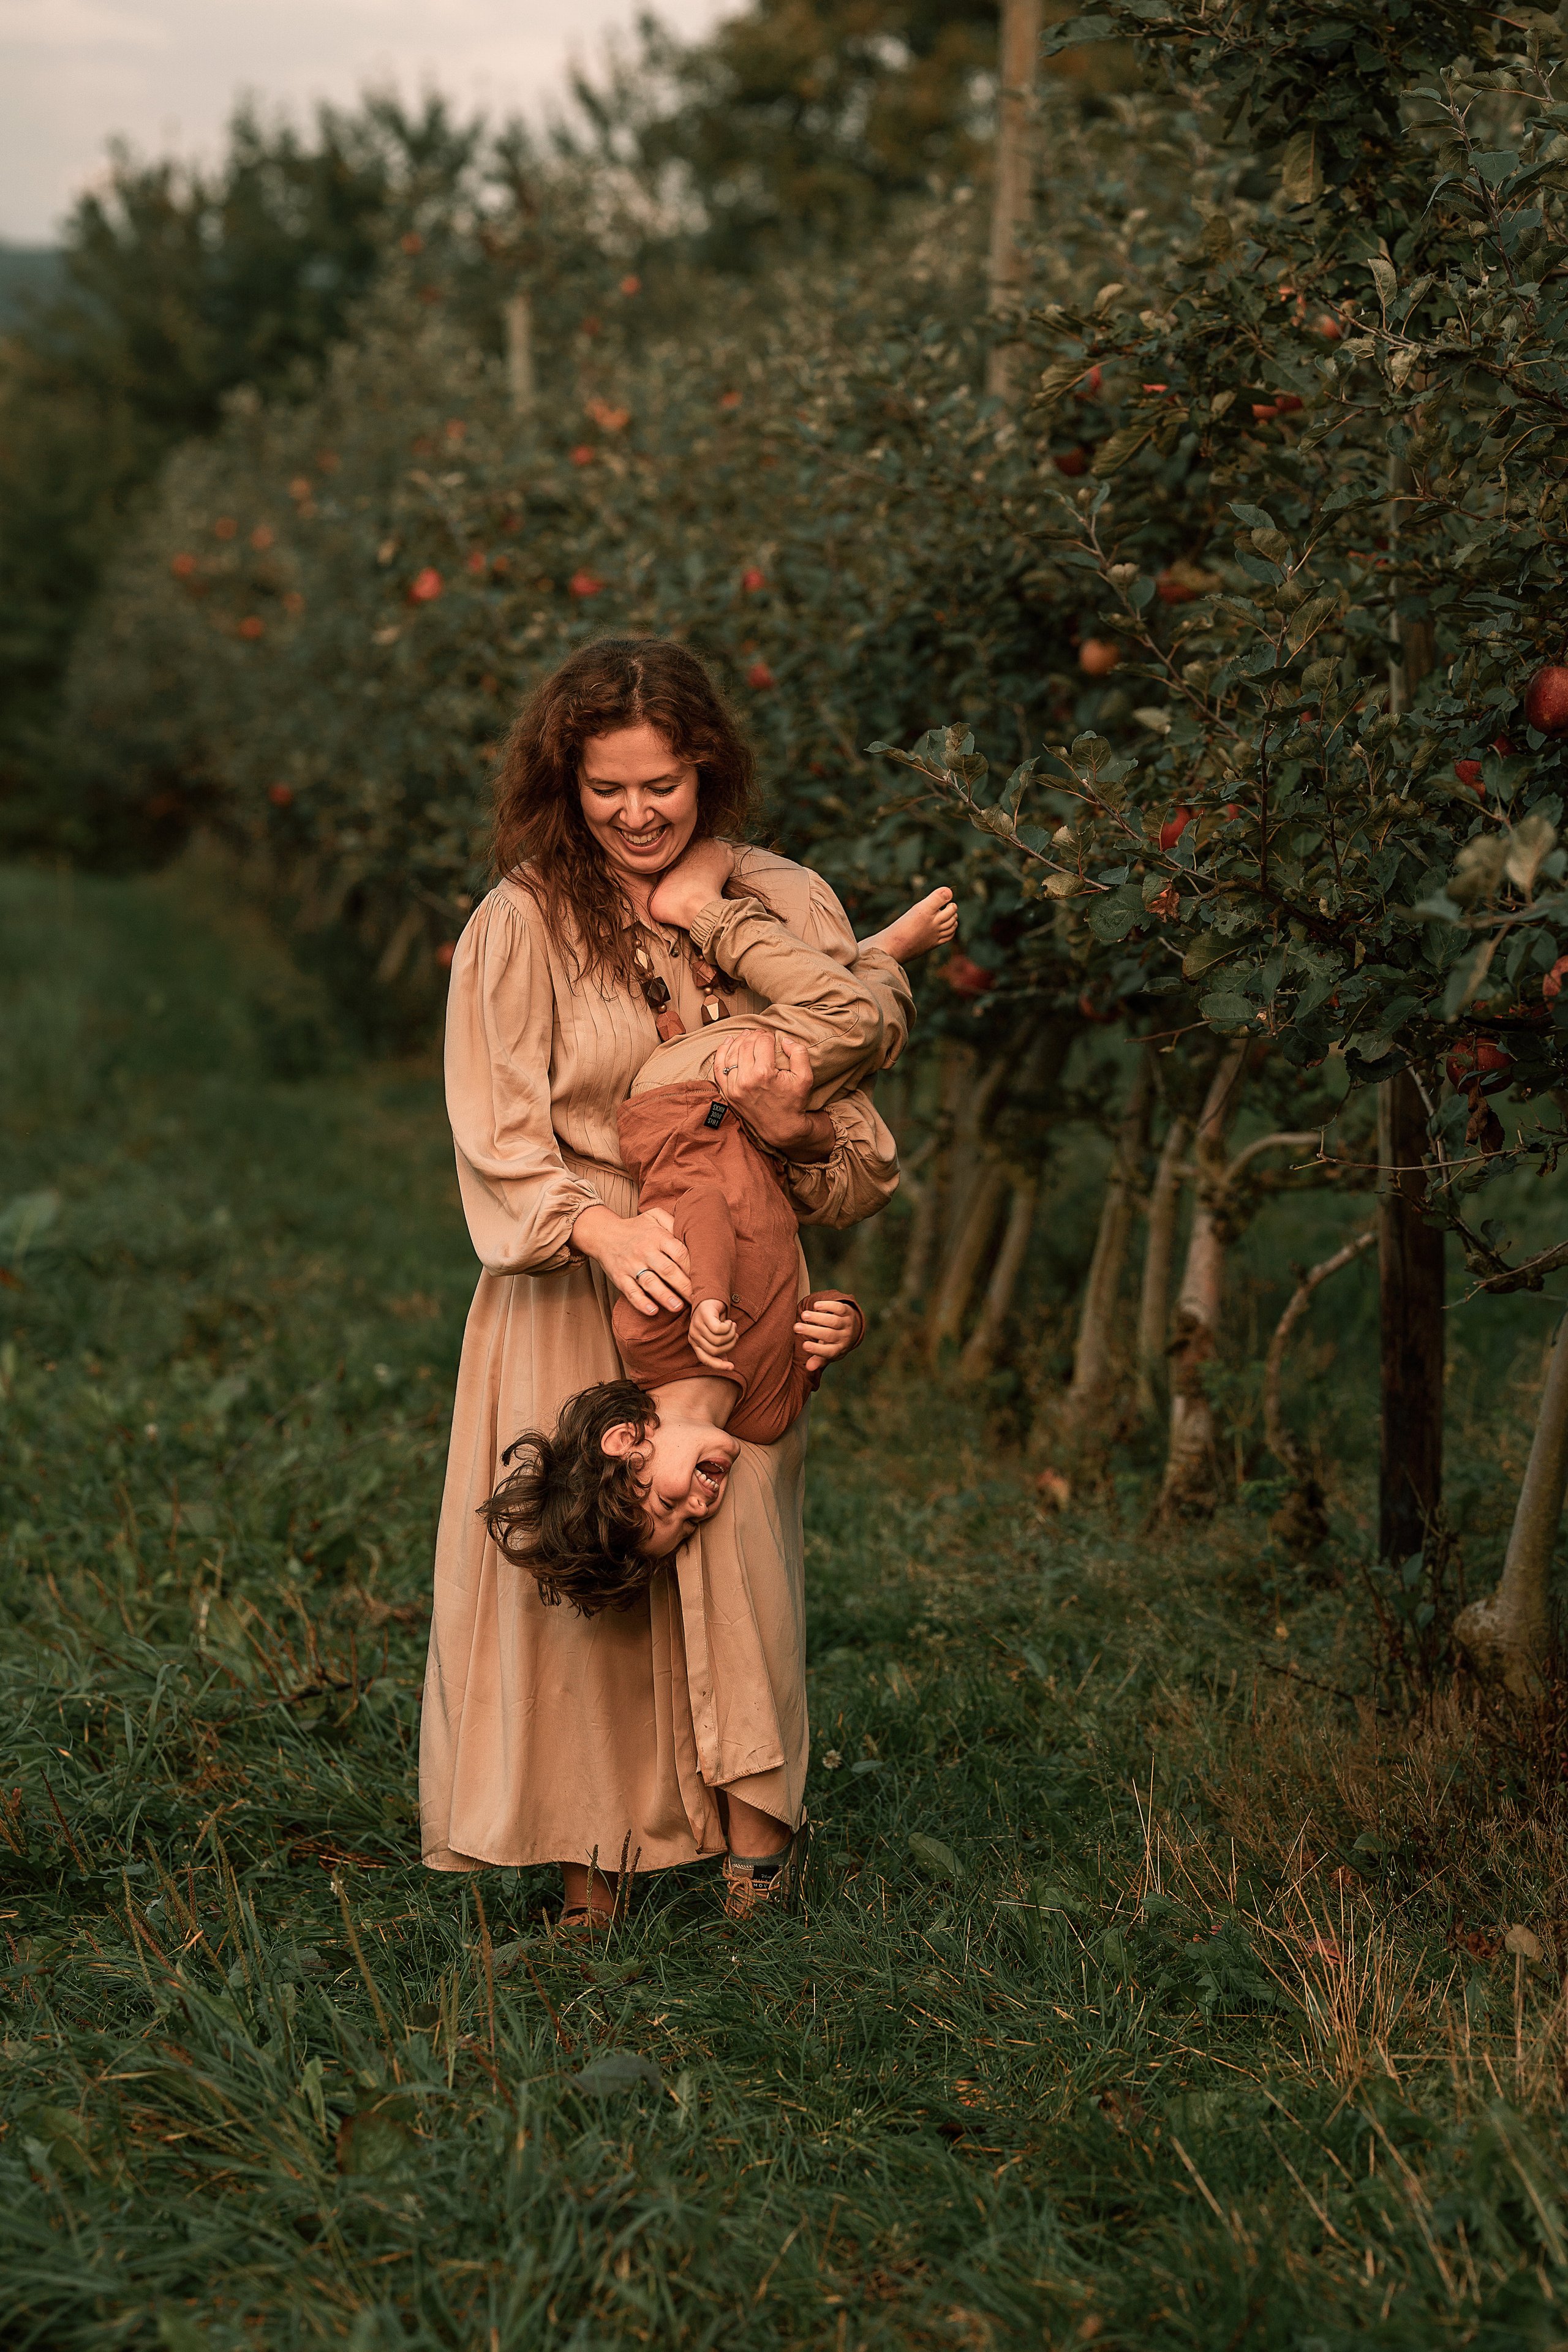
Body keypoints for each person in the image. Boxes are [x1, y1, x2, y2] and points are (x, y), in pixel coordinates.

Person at [419, 636, 925, 1928]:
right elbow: (498, 1137)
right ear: (564, 784)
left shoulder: (783, 903)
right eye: (606, 791)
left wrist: (801, 1133)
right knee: (587, 1571)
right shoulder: (523, 921)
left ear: (707, 771)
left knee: (734, 1561)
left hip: (743, 1299)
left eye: (663, 786)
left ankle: (751, 1865)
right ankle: (587, 1868)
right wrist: (600, 1231)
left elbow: (858, 1159)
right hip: (564, 1291)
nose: (637, 816)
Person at [478, 848, 958, 1647]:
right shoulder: (764, 1418)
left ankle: (714, 910)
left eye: (664, 1504)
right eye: (688, 1526)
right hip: (757, 1143)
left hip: (682, 1107)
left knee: (852, 1028)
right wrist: (843, 1326)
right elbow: (813, 1328)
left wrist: (706, 1299)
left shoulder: (654, 1333)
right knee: (866, 1139)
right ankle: (874, 961)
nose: (696, 1507)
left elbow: (694, 1200)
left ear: (628, 1441)